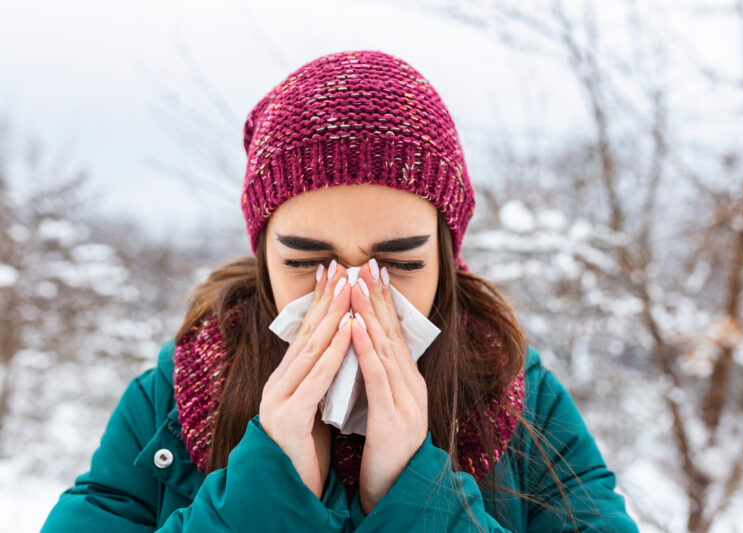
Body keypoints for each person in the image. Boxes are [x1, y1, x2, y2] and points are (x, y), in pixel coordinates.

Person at [41, 49, 639, 532]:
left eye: (399, 263)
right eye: (308, 261)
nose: (353, 296)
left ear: (447, 259)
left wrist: (417, 497)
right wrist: (263, 495)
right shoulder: (171, 399)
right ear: (264, 257)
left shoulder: (519, 394)